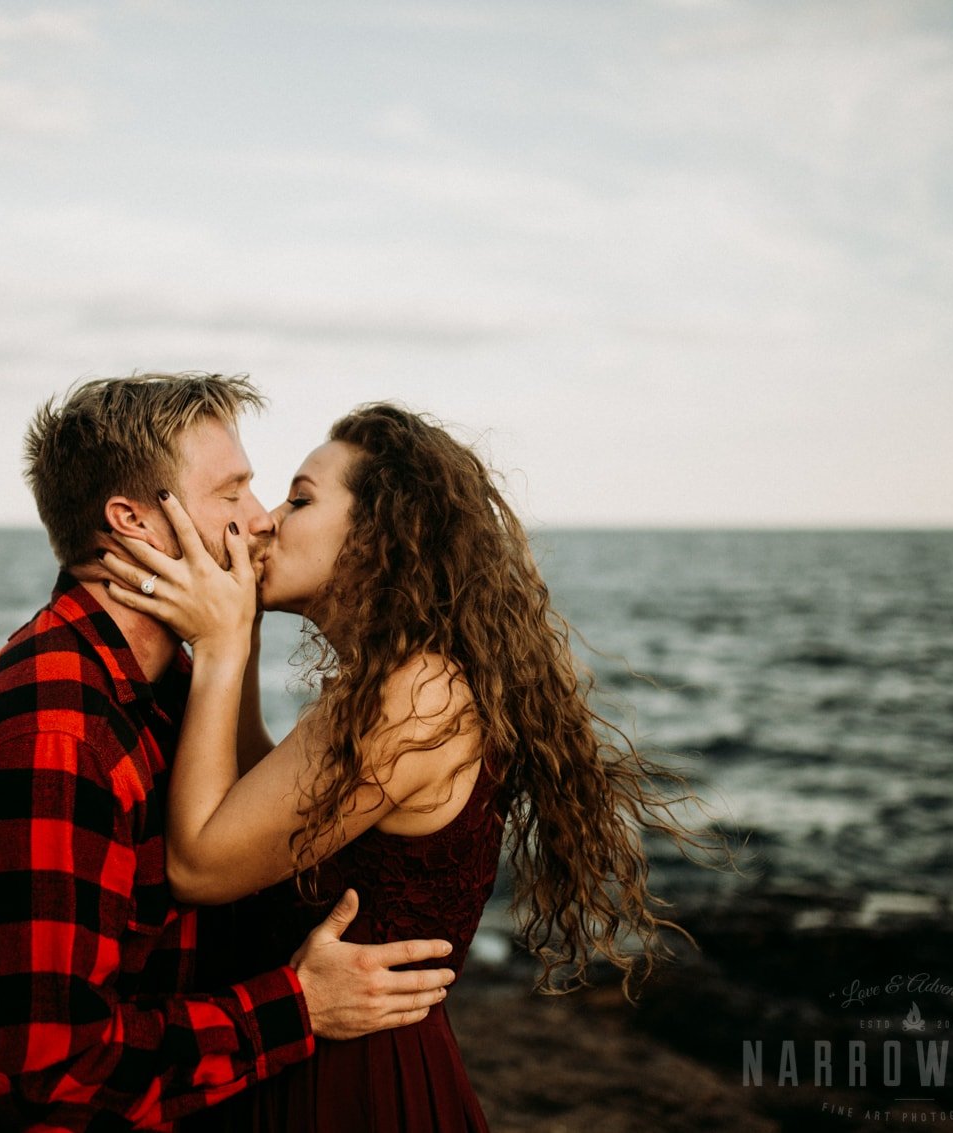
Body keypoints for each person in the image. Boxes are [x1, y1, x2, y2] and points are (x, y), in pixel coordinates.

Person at [0, 376, 460, 1133]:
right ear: (133, 520)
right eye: (234, 492)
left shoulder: (172, 687)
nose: (260, 520)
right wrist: (296, 1007)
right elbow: (48, 1076)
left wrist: (229, 641)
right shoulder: (51, 734)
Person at [100, 403, 709, 1131]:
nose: (264, 521)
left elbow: (201, 863)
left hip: (354, 1086)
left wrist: (222, 649)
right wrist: (243, 631)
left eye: (299, 499)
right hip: (320, 1064)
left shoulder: (417, 695)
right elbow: (261, 812)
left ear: (377, 534)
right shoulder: (400, 681)